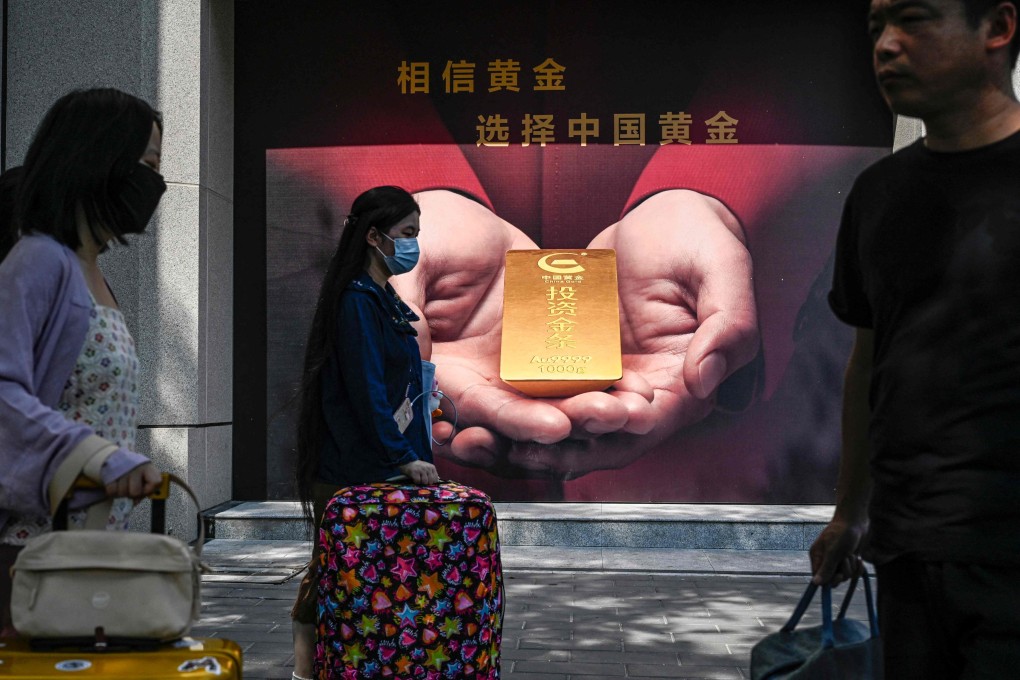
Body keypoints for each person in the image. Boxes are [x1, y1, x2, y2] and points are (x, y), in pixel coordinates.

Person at [809, 0, 1020, 676]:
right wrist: (849, 513)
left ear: (997, 28)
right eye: (874, 28)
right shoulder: (879, 193)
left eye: (915, 20)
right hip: (906, 550)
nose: (885, 46)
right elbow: (870, 360)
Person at [0, 88, 166, 636]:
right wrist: (100, 458)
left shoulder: (84, 268)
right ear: (98, 159)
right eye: (147, 164)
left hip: (85, 544)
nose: (153, 184)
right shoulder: (39, 260)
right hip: (30, 554)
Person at [290, 185, 439, 680]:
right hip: (355, 472)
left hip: (382, 469)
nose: (414, 245)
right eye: (407, 234)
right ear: (374, 237)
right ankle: (304, 671)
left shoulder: (382, 298)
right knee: (335, 577)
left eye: (417, 233)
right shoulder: (356, 301)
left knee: (372, 585)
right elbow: (366, 391)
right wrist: (403, 457)